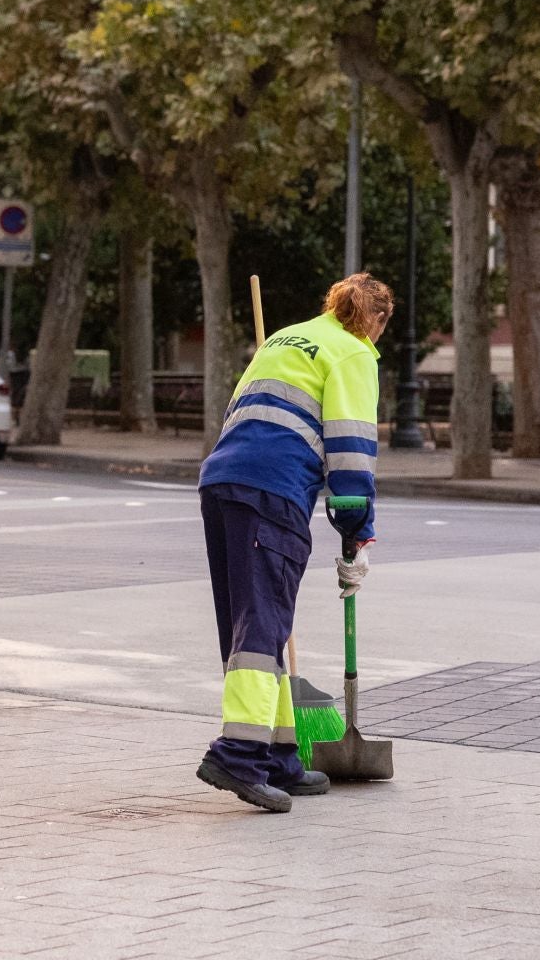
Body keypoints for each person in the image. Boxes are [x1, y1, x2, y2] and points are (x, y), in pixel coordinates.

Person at [193, 273, 392, 813]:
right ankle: (237, 753)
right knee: (261, 626)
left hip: (223, 480)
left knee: (254, 620)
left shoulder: (288, 337)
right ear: (375, 321)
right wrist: (357, 534)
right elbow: (351, 452)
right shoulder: (354, 353)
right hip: (273, 489)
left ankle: (279, 754)